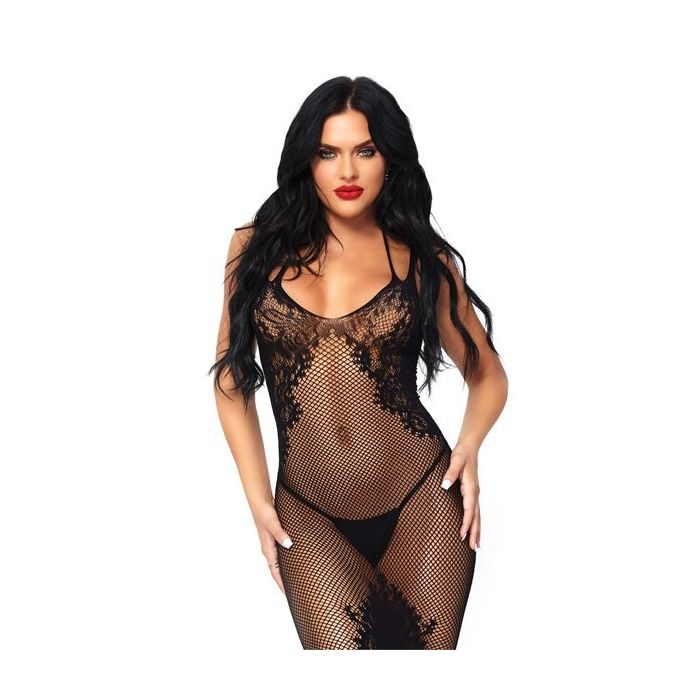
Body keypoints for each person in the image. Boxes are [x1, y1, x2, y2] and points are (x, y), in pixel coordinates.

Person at [210, 76, 508, 650]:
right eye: (328, 152)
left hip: (422, 497)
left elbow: (488, 373)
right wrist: (256, 497)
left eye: (365, 151)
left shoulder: (420, 258)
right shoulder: (254, 247)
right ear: (307, 160)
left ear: (389, 159)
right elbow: (231, 379)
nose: (347, 171)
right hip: (307, 511)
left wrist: (469, 446)